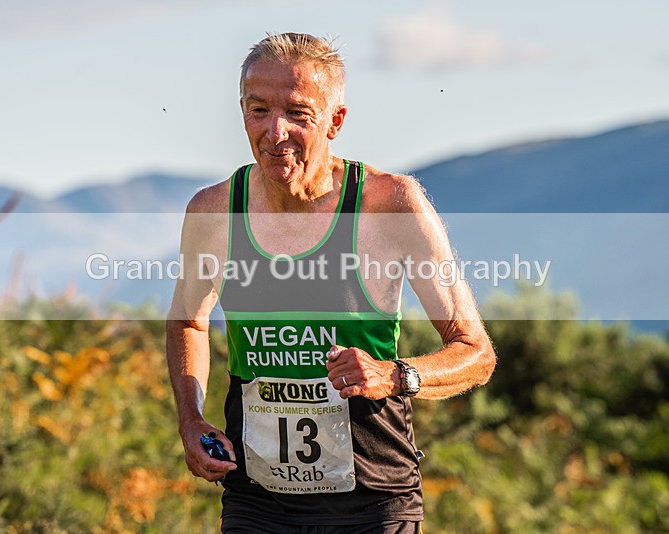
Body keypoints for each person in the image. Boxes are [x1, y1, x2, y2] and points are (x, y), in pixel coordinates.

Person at [166, 32, 496, 533]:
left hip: (372, 503)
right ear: (241, 111)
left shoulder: (391, 206)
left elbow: (475, 352)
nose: (275, 132)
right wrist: (191, 420)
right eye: (258, 110)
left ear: (336, 120)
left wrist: (394, 375)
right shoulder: (213, 212)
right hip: (257, 502)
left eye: (298, 113)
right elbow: (189, 320)